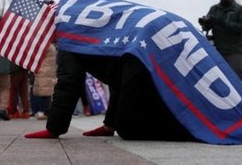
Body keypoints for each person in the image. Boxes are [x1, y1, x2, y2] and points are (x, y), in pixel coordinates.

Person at [25, 50, 196, 140]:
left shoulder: (69, 39)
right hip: (144, 64)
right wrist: (110, 125)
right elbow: (115, 75)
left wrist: (54, 129)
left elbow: (69, 81)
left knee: (129, 130)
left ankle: (193, 131)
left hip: (140, 69)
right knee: (127, 123)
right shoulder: (92, 27)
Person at [199, 0, 242, 87]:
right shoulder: (214, 9)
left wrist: (223, 23)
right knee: (218, 77)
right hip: (217, 50)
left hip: (233, 51)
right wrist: (206, 24)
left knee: (238, 77)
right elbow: (208, 26)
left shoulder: (240, 10)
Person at [30, 43, 57, 120]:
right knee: (47, 91)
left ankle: (44, 111)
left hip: (43, 70)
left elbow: (36, 56)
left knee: (44, 92)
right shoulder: (52, 46)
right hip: (49, 70)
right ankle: (46, 111)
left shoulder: (44, 46)